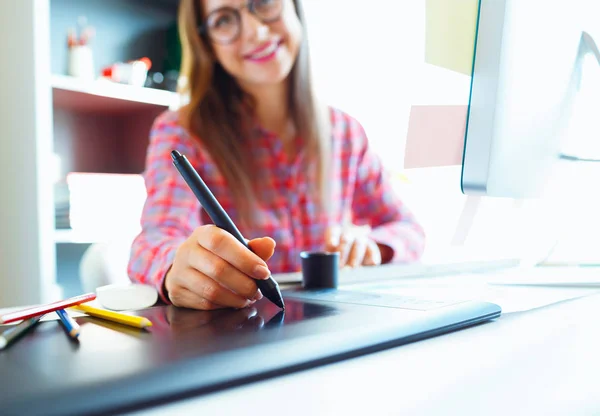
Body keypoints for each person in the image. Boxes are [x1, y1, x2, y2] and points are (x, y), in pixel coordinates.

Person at [128, 0, 426, 310]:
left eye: (265, 2)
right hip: (242, 335)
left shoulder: (345, 132)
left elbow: (408, 228)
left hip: (328, 330)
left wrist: (374, 247)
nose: (256, 32)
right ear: (207, 44)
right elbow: (152, 243)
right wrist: (178, 268)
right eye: (224, 20)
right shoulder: (182, 132)